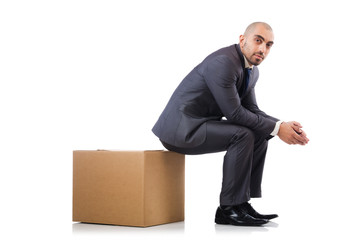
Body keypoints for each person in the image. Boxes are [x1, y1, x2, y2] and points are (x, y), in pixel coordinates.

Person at [152, 22, 309, 226]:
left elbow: (252, 110)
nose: (263, 49)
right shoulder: (224, 62)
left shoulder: (251, 70)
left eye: (269, 45)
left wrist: (280, 124)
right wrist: (279, 129)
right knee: (243, 134)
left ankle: (241, 203)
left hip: (202, 123)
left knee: (261, 133)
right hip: (181, 130)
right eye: (258, 40)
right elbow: (234, 113)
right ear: (242, 40)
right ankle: (228, 209)